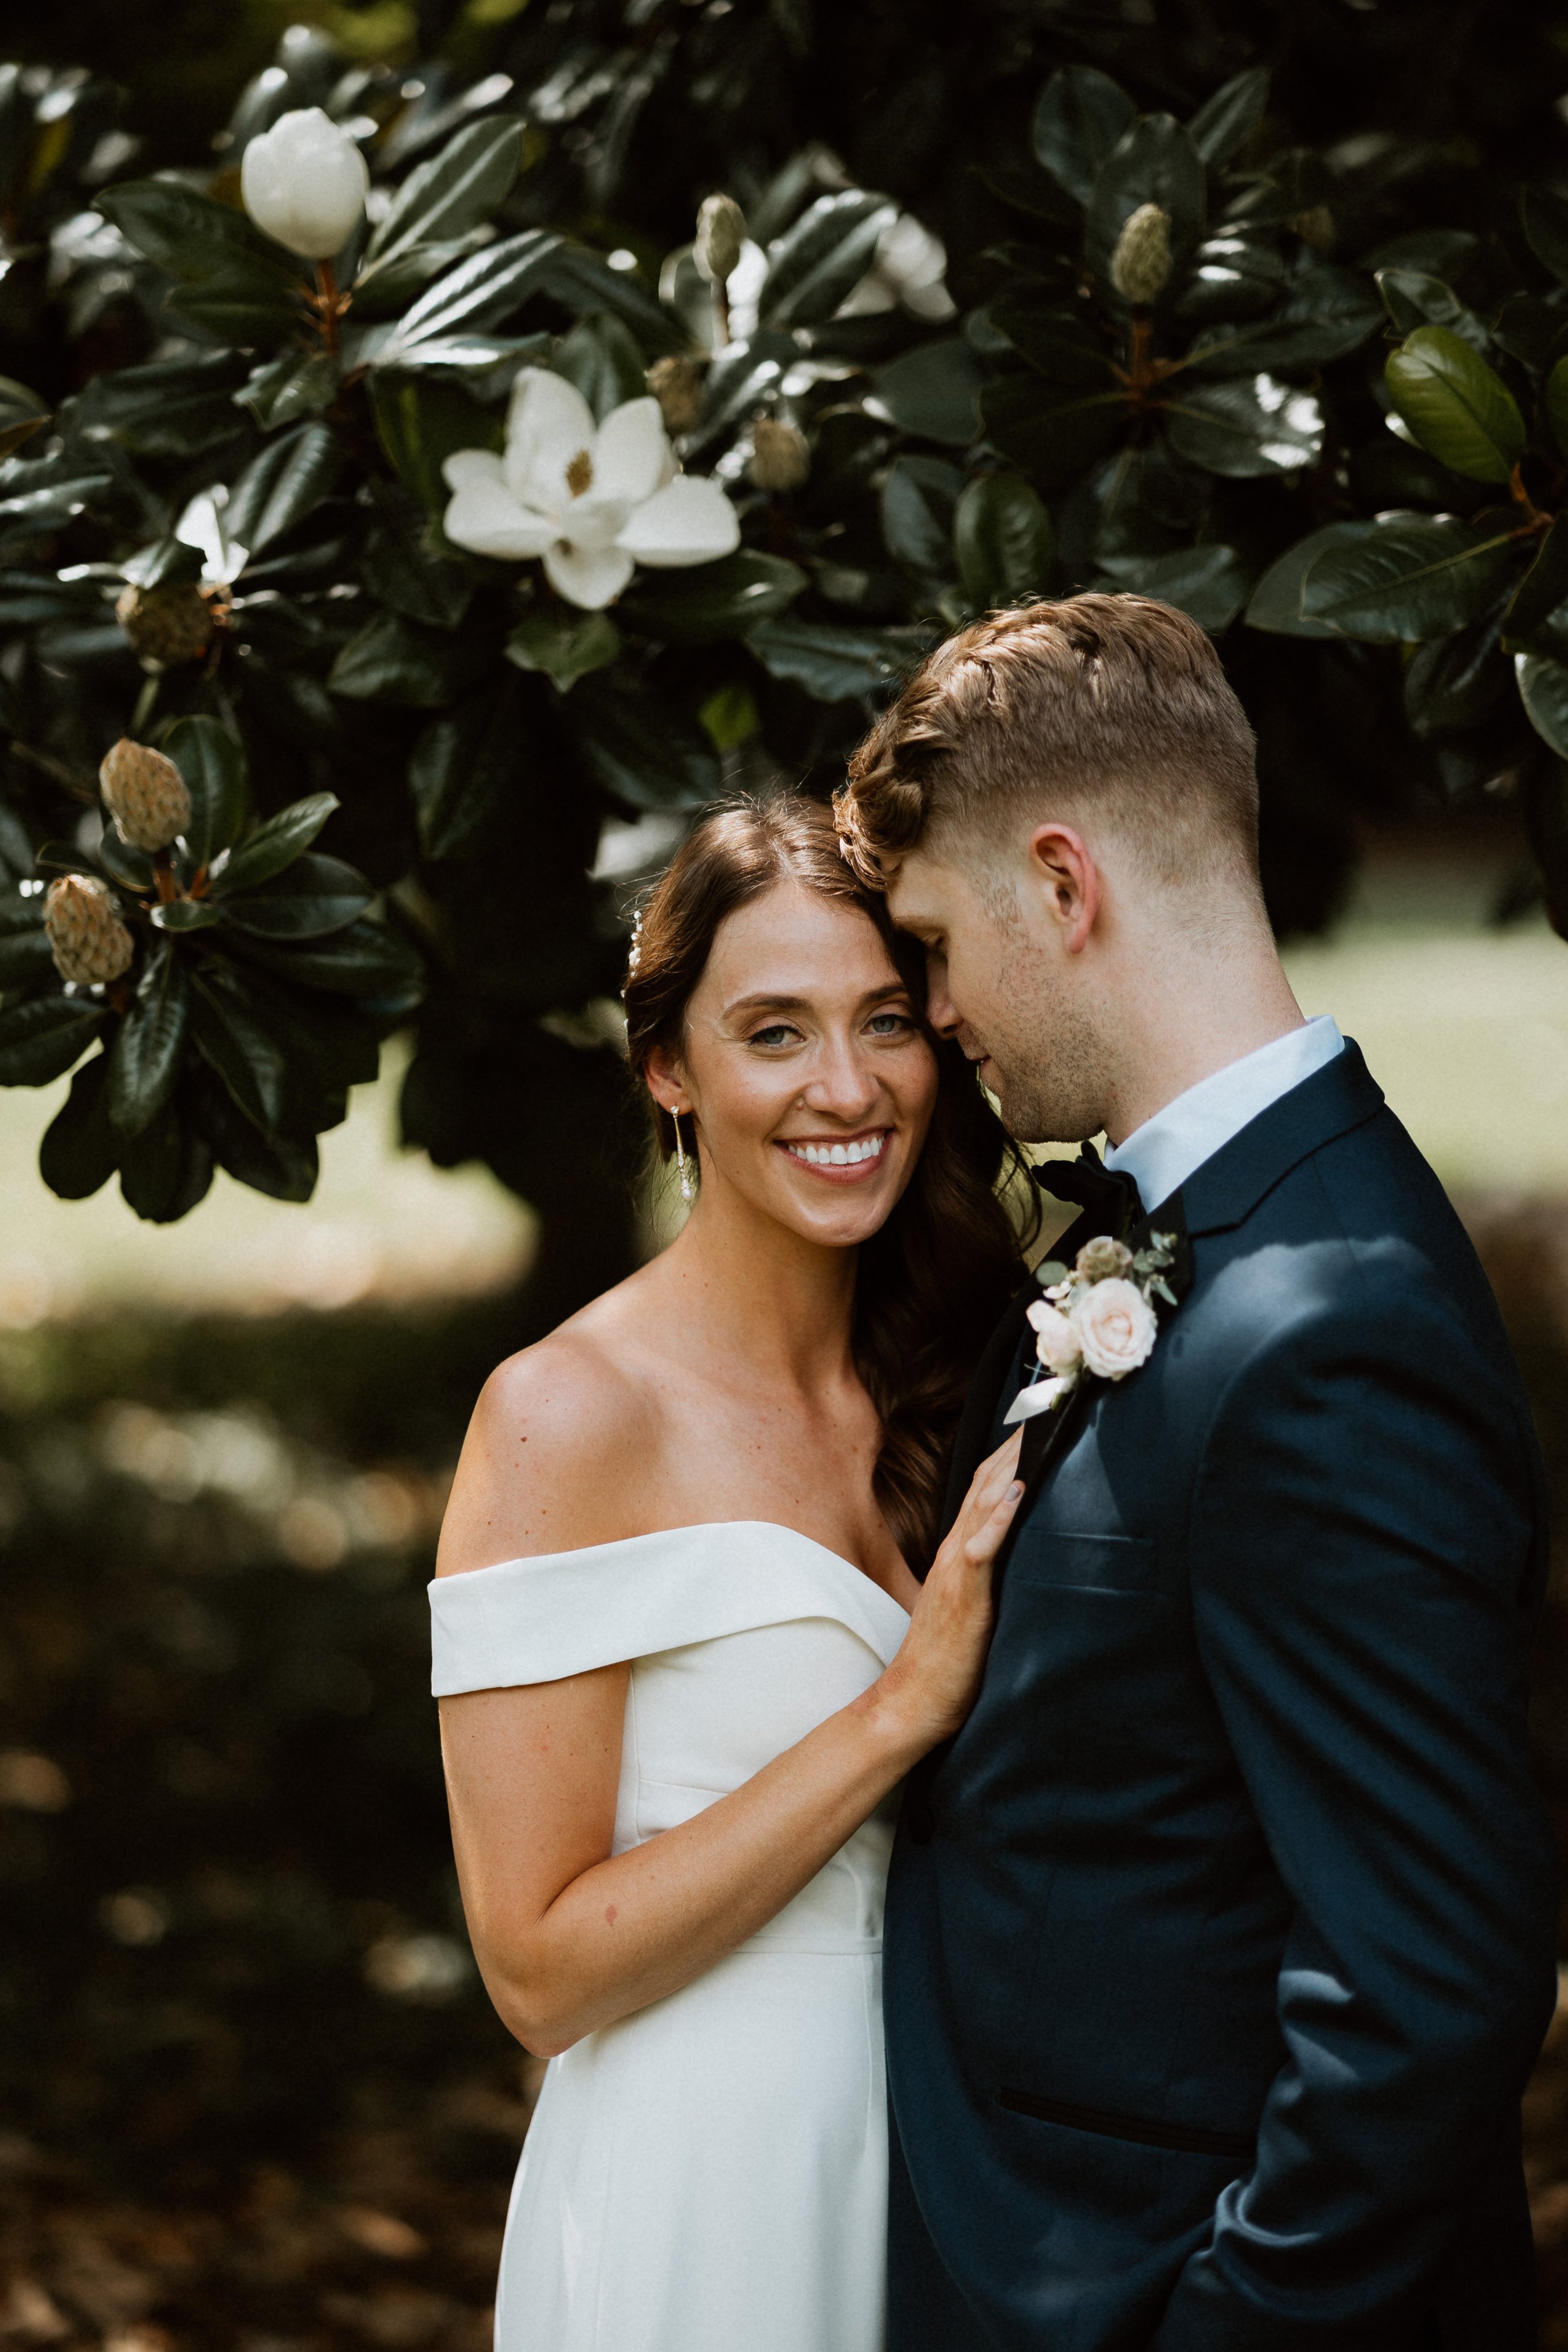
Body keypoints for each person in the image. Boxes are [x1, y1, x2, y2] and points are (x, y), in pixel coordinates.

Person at [834, 591, 1560, 2352]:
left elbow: (1429, 1986)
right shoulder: (1203, 1235)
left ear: (1063, 886)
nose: (928, 1014)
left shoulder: (1328, 1323)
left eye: (931, 944)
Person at [429, 796, 1034, 2352]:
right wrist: (896, 1713)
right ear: (667, 1069)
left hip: (960, 2164)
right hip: (707, 2185)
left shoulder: (968, 1375)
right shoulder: (567, 1419)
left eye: (884, 1020)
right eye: (773, 1033)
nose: (847, 1089)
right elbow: (538, 1972)